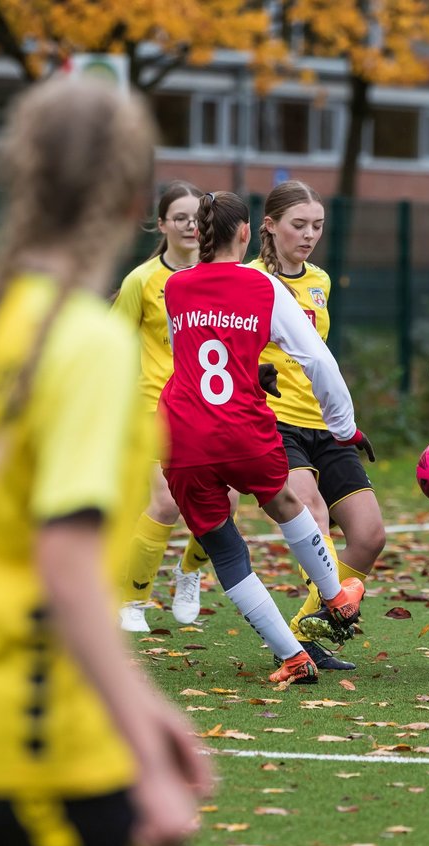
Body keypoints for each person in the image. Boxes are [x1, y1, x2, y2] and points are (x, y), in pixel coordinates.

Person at [0, 77, 212, 846]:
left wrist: (146, 709)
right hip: (40, 753)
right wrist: (144, 748)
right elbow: (64, 567)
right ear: (134, 192)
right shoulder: (87, 344)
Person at [161, 190, 374, 684]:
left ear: (201, 234)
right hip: (244, 431)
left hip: (186, 435)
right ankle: (336, 596)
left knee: (225, 548)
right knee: (284, 503)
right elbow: (318, 360)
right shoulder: (264, 287)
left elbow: (191, 358)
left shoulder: (176, 287)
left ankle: (293, 657)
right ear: (244, 234)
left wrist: (246, 370)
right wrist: (344, 426)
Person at [249, 180, 385, 671]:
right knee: (313, 517)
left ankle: (306, 628)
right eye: (298, 225)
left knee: (370, 535)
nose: (309, 235)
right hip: (275, 421)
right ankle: (310, 639)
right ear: (269, 225)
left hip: (325, 427)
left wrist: (345, 422)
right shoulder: (248, 279)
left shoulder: (321, 281)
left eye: (317, 226)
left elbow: (320, 359)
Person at [111, 180, 218, 633]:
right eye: (180, 217)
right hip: (155, 406)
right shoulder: (141, 280)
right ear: (162, 224)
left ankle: (189, 572)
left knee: (223, 502)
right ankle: (131, 600)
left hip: (211, 406)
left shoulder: (220, 275)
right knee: (167, 500)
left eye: (198, 217)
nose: (190, 225)